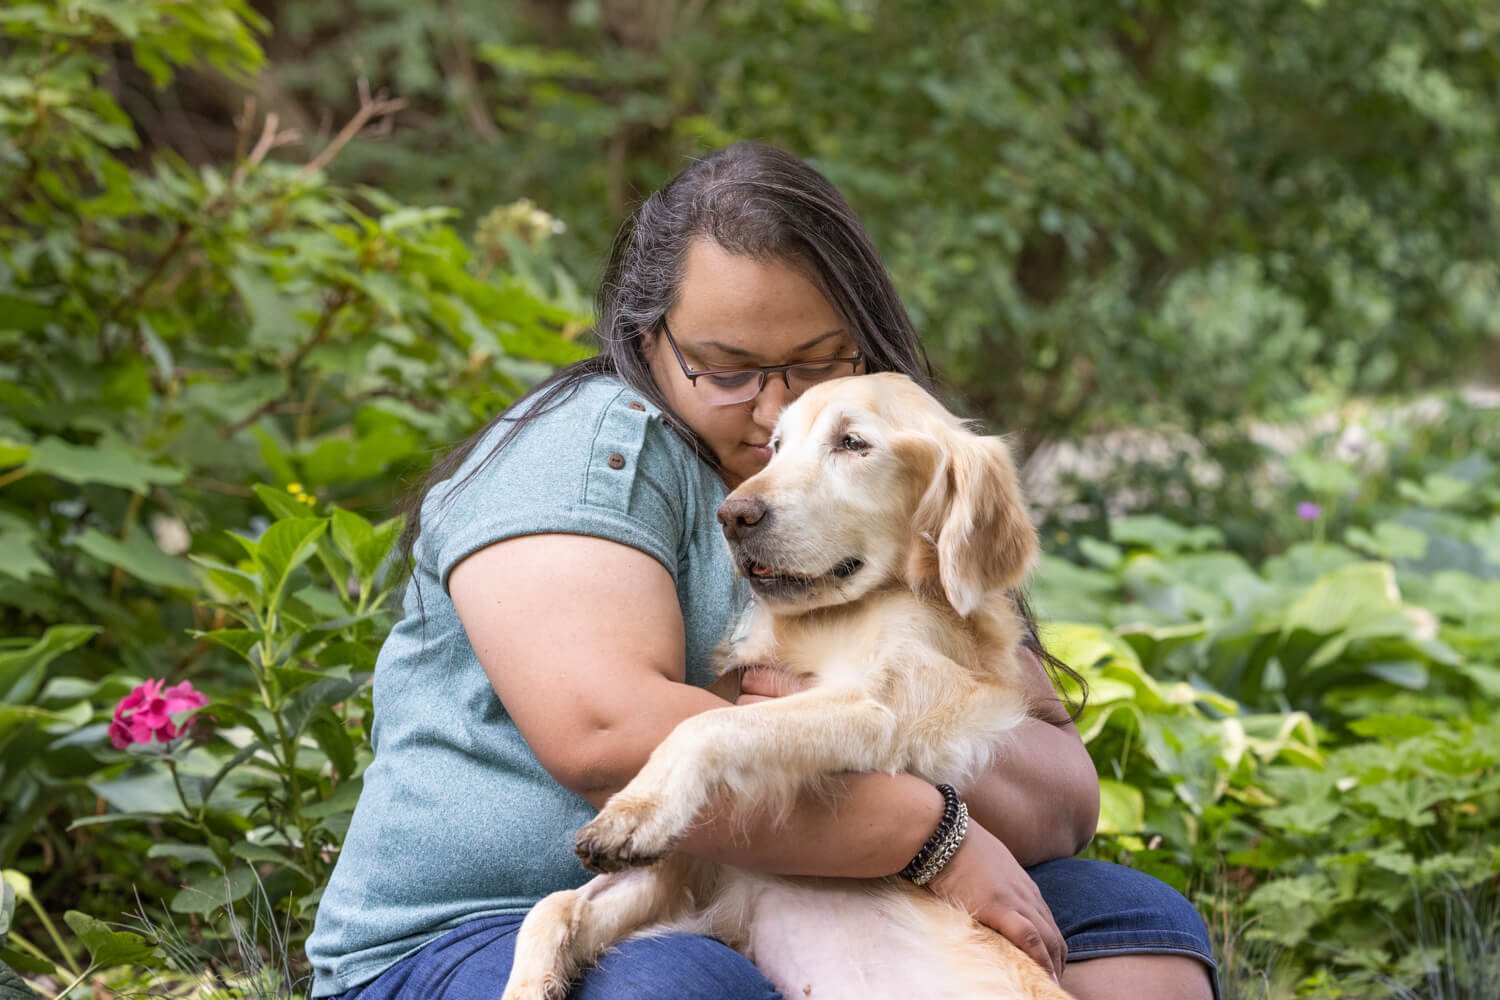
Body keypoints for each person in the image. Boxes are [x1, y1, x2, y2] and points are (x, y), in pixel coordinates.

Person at [305, 142, 1220, 1000]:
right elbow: (605, 736)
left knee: (1140, 931)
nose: (776, 408)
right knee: (689, 986)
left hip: (788, 894)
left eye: (821, 362)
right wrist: (929, 833)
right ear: (646, 337)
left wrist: (906, 736)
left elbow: (1061, 794)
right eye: (728, 368)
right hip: (477, 929)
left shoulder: (892, 480)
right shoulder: (588, 448)